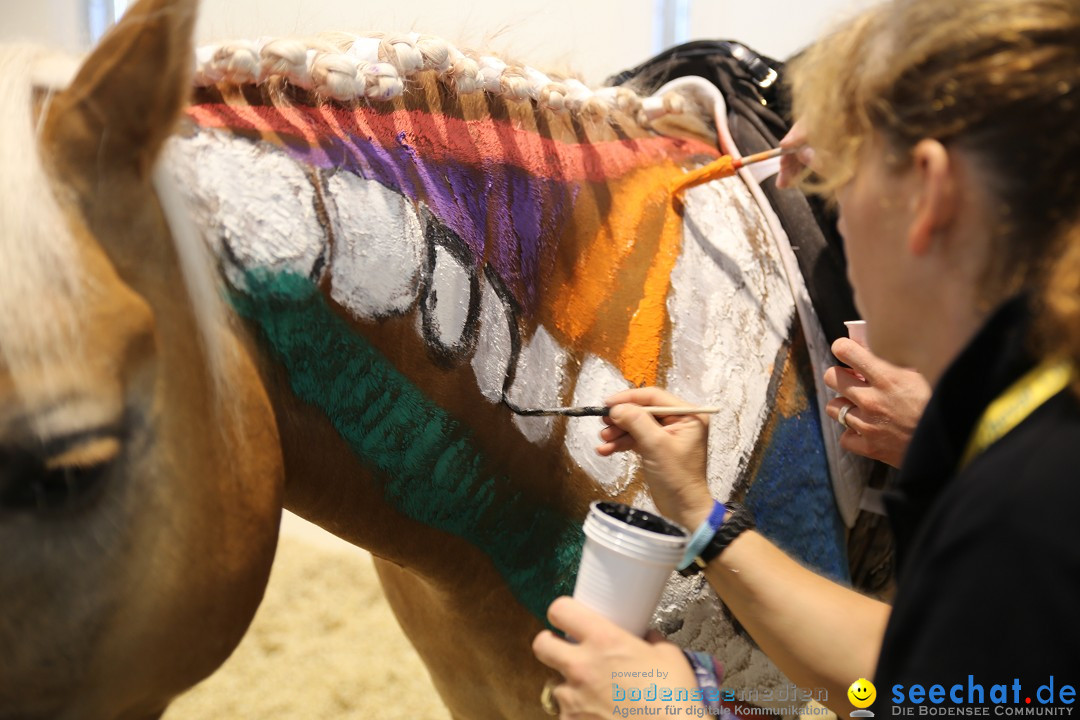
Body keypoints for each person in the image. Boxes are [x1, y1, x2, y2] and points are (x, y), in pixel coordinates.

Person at [532, 0, 1080, 716]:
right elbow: (909, 677)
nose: (829, 212)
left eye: (839, 181)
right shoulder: (1033, 429)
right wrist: (704, 518)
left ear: (929, 193)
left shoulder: (1030, 513)